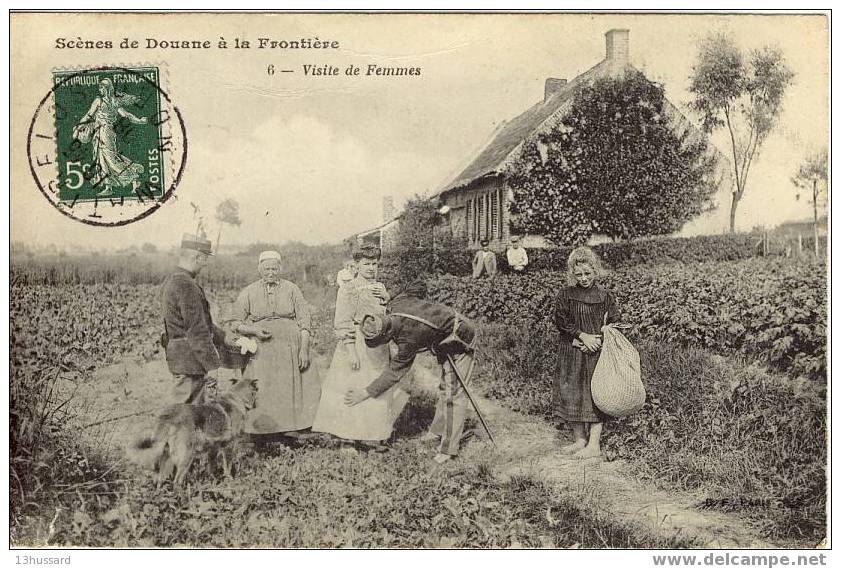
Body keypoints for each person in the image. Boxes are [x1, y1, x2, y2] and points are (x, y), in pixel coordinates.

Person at [344, 287, 478, 464]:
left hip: (461, 336)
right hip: (443, 336)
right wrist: (390, 295)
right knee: (446, 388)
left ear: (386, 335)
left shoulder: (409, 338)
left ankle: (448, 449)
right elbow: (419, 284)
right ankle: (436, 432)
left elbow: (394, 372)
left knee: (454, 393)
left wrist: (366, 393)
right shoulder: (396, 303)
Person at [312, 245, 408, 447]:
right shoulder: (348, 288)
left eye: (374, 264)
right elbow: (342, 321)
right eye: (366, 264)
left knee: (377, 388)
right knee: (352, 387)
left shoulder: (380, 287)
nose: (371, 268)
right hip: (356, 344)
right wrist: (351, 350)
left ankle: (371, 435)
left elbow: (388, 314)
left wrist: (386, 299)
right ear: (356, 265)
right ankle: (347, 438)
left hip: (378, 346)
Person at [230, 251, 321, 438]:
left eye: (274, 268)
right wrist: (253, 331)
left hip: (290, 346)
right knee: (263, 385)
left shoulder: (292, 289)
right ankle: (263, 430)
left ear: (280, 269)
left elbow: (305, 320)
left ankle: (293, 427)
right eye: (266, 269)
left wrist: (303, 349)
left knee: (292, 385)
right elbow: (234, 322)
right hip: (263, 348)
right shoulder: (248, 291)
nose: (270, 272)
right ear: (259, 269)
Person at [552, 246, 621, 460]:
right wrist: (582, 337)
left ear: (595, 270)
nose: (583, 278)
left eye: (588, 273)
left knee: (594, 395)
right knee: (572, 392)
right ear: (572, 273)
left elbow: (614, 322)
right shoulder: (566, 295)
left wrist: (598, 339)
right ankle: (579, 439)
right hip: (572, 350)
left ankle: (594, 444)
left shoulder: (605, 296)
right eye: (578, 274)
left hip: (596, 353)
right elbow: (561, 323)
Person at [160, 234, 229, 405]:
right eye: (205, 259)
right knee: (184, 416)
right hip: (190, 361)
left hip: (181, 358)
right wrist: (212, 365)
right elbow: (196, 329)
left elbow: (199, 324)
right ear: (197, 257)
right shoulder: (186, 284)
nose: (205, 264)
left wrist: (224, 337)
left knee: (183, 416)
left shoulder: (173, 279)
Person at [74, 78, 147, 196]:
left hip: (105, 132)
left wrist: (140, 121)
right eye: (100, 88)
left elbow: (125, 115)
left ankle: (133, 177)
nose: (100, 90)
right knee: (102, 159)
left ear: (107, 89)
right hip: (101, 132)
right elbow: (89, 115)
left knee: (111, 159)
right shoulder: (108, 101)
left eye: (102, 88)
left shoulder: (106, 101)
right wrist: (79, 126)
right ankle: (109, 186)